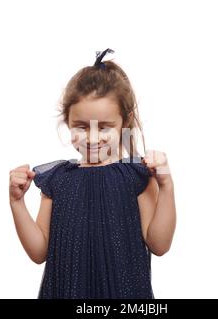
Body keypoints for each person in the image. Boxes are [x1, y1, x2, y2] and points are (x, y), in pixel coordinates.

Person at [9, 48, 176, 298]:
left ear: (125, 123)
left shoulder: (135, 176)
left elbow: (159, 245)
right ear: (67, 121)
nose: (93, 137)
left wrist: (166, 186)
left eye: (105, 127)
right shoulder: (58, 179)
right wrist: (17, 203)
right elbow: (38, 252)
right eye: (81, 126)